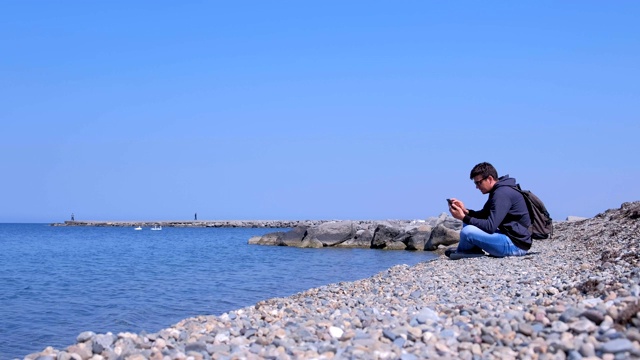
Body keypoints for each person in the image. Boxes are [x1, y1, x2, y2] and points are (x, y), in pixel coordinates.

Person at [447, 162, 531, 259]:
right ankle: (468, 250)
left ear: (490, 179)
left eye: (479, 182)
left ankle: (463, 251)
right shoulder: (498, 190)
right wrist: (466, 211)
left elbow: (490, 226)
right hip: (510, 238)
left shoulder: (501, 194)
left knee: (467, 231)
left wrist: (463, 217)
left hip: (515, 246)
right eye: (475, 183)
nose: (477, 187)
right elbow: (484, 214)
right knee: (468, 224)